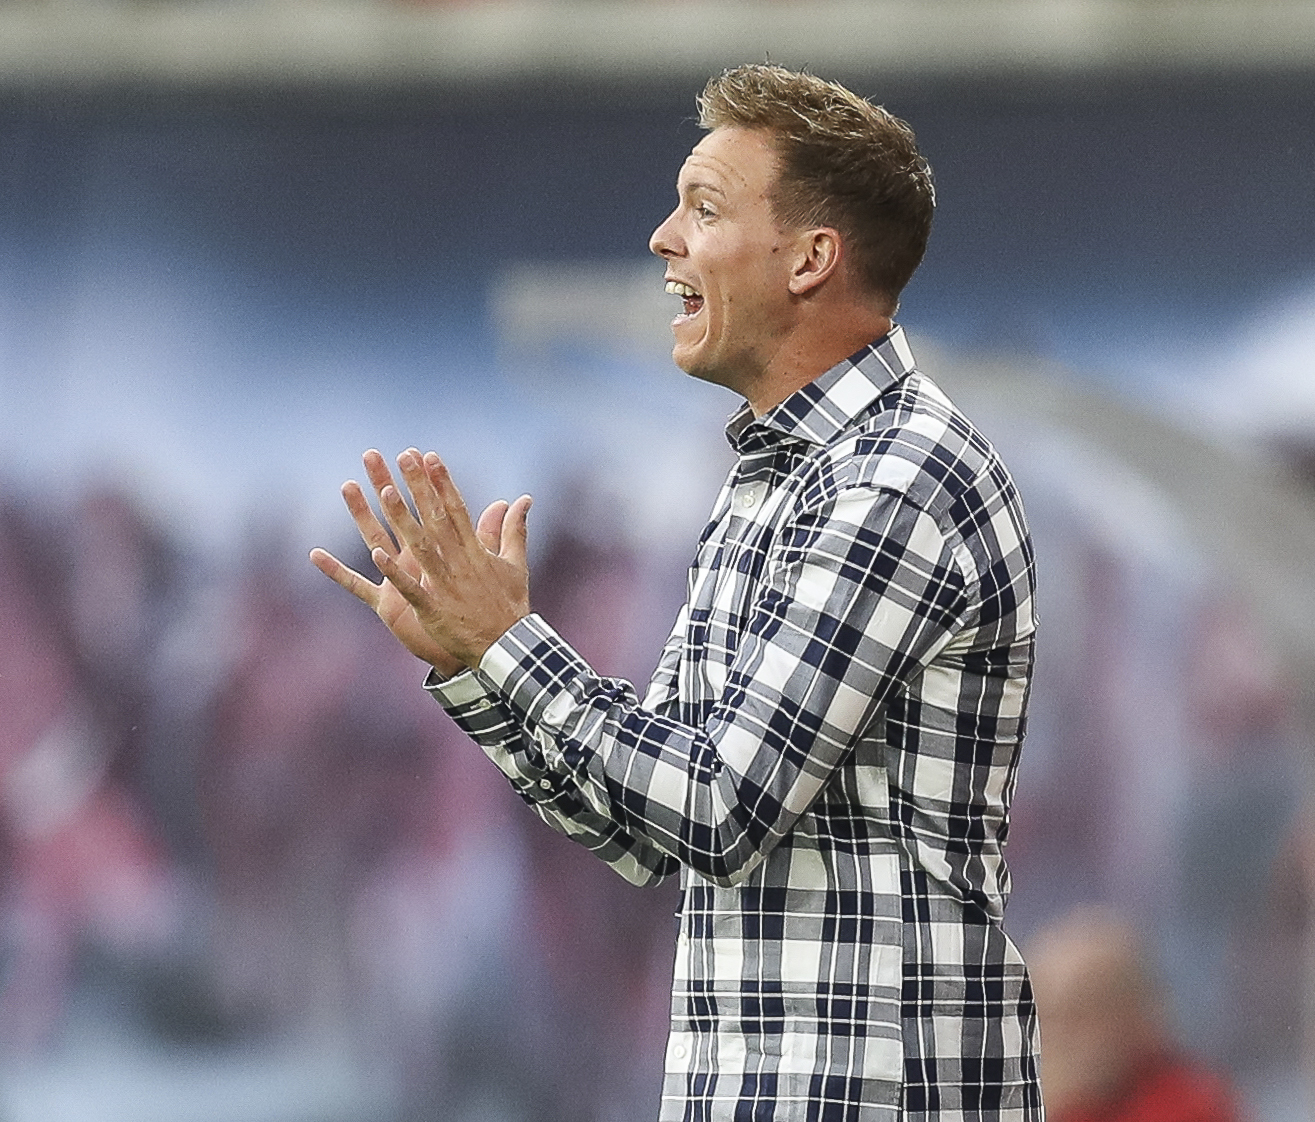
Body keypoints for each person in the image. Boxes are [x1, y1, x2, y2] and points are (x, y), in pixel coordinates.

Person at [311, 63, 1040, 1120]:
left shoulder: (901, 479)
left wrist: (514, 645)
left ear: (811, 259)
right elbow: (649, 835)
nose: (663, 237)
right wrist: (474, 667)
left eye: (703, 206)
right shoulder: (770, 484)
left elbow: (718, 808)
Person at [1027, 907, 1241, 1122]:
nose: (1064, 1035)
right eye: (1051, 1016)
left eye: (1081, 1014)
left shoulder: (1195, 1104)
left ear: (1135, 1012)